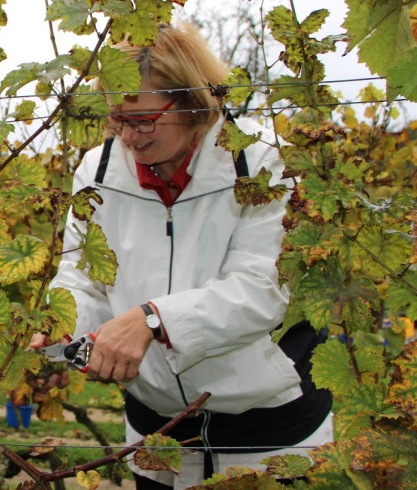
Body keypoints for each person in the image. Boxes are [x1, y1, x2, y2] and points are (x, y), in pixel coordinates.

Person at [31, 23, 332, 489]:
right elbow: (83, 279)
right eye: (116, 120)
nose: (128, 137)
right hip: (158, 432)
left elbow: (261, 288)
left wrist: (154, 319)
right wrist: (62, 331)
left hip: (269, 431)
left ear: (194, 103)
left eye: (144, 120)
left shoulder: (260, 160)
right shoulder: (100, 168)